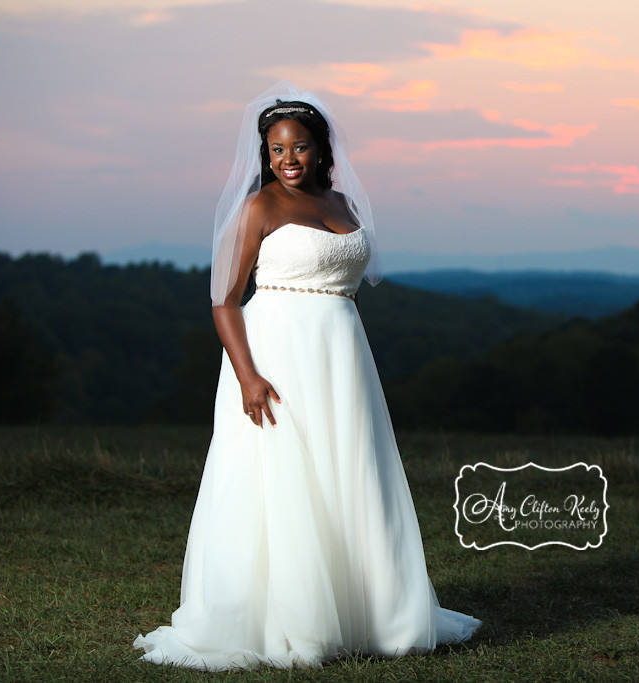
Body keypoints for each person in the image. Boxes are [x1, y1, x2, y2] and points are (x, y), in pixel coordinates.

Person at [133, 82, 482, 670]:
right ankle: (290, 618)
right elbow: (223, 301)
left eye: (297, 147)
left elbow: (343, 287)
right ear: (264, 155)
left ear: (320, 149)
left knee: (350, 473)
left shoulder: (344, 206)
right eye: (275, 150)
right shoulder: (259, 208)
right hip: (276, 356)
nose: (287, 159)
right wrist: (247, 376)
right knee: (285, 480)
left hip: (341, 356)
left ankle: (372, 612)